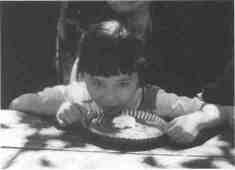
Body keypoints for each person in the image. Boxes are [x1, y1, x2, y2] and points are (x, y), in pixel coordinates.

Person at [10, 20, 228, 145]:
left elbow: (224, 112)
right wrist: (59, 108)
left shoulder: (151, 99)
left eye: (123, 84)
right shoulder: (75, 94)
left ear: (139, 78)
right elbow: (17, 105)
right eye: (97, 83)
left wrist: (199, 120)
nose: (110, 97)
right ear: (83, 75)